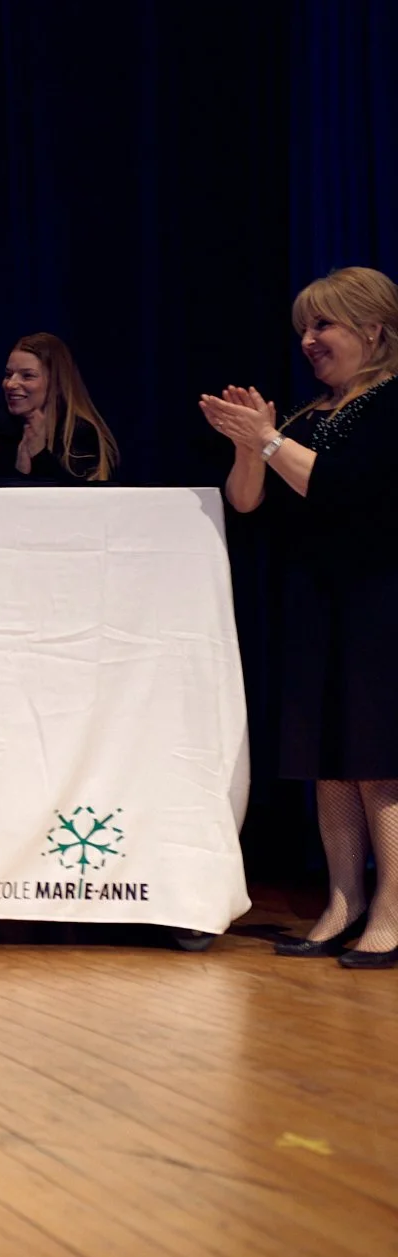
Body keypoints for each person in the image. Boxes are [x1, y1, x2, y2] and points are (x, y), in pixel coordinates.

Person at [202, 265, 398, 970]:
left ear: (372, 330)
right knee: (329, 765)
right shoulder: (308, 417)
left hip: (378, 601)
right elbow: (249, 505)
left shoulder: (391, 404)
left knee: (378, 763)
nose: (309, 341)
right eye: (303, 330)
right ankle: (342, 902)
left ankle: (391, 910)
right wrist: (247, 443)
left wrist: (268, 441)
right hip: (315, 602)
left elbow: (347, 492)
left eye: (324, 325)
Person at [0, 332, 120, 485]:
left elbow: (79, 503)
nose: (10, 384)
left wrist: (38, 454)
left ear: (56, 384)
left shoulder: (82, 436)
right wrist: (19, 468)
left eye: (27, 375)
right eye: (8, 374)